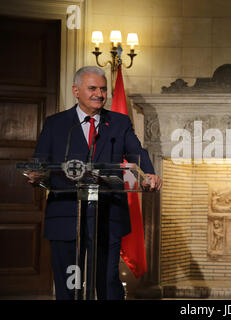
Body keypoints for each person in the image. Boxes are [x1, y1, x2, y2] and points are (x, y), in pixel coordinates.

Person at [30, 66, 161, 300]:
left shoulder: (118, 123)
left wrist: (149, 174)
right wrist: (35, 174)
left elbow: (136, 153)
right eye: (92, 88)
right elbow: (40, 162)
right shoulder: (56, 124)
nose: (99, 94)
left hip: (107, 215)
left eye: (103, 89)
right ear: (76, 91)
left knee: (108, 280)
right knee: (69, 281)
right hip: (66, 214)